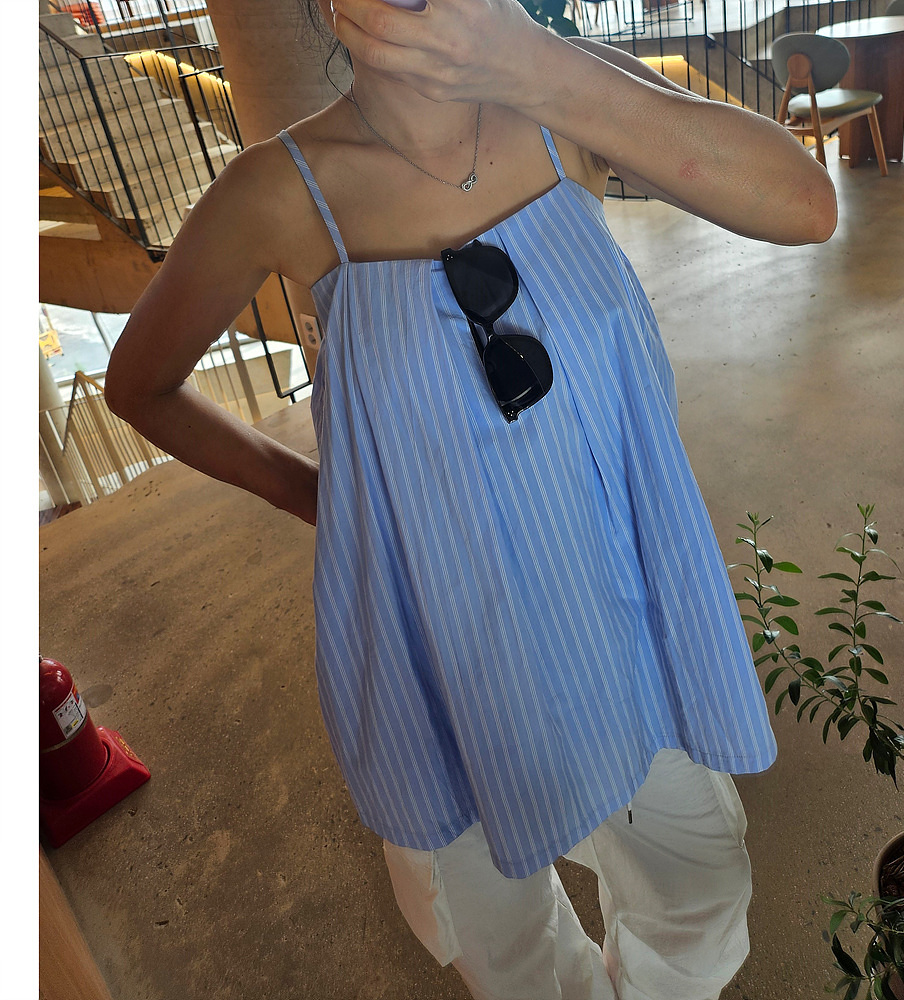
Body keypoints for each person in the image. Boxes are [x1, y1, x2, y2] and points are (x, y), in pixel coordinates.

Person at [105, 2, 837, 997]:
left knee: (697, 884)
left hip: (622, 610)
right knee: (502, 935)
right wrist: (324, 500)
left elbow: (804, 205)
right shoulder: (280, 192)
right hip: (442, 642)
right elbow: (141, 385)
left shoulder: (567, 103)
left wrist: (532, 64)